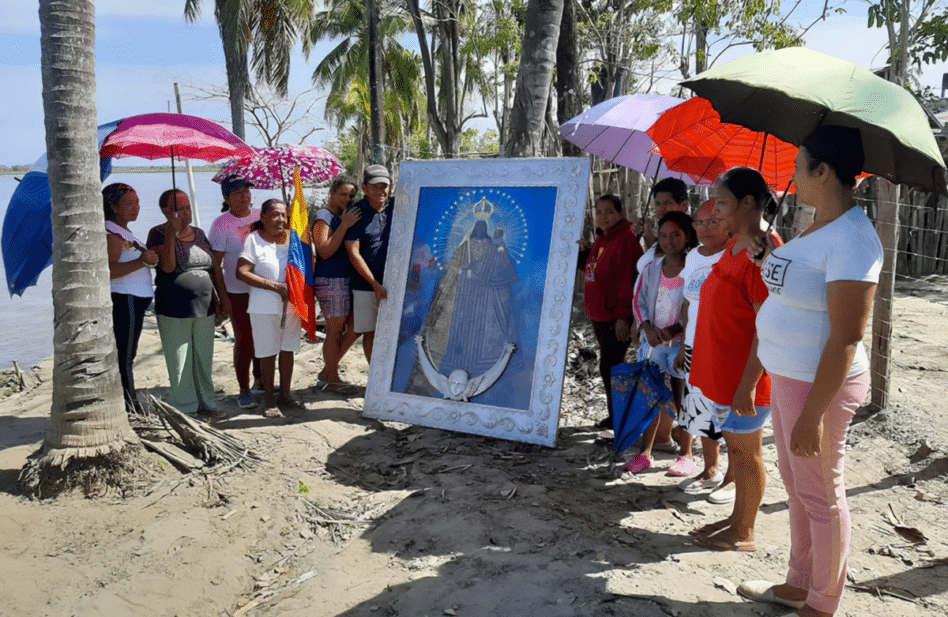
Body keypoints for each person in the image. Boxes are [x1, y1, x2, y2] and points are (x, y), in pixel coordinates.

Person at [738, 126, 881, 617]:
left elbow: (845, 336)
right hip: (789, 376)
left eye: (800, 166)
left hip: (819, 385)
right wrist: (765, 255)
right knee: (799, 485)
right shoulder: (816, 225)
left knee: (821, 491)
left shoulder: (854, 239)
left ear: (823, 171)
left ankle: (822, 604)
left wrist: (813, 415)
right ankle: (798, 583)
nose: (793, 175)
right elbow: (796, 289)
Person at [689, 167, 782, 552]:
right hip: (722, 369)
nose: (716, 209)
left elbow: (767, 325)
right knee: (736, 449)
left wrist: (748, 384)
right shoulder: (734, 244)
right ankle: (737, 517)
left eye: (723, 202)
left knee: (747, 452)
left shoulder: (765, 251)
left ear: (747, 203)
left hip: (745, 377)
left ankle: (745, 530)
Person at [627, 211, 697, 473]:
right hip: (653, 342)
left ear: (687, 236)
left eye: (676, 235)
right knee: (651, 394)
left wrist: (678, 329)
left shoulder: (693, 269)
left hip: (681, 344)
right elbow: (639, 300)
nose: (669, 240)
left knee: (683, 397)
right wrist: (646, 327)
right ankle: (645, 452)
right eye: (664, 235)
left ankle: (686, 454)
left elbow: (694, 304)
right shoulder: (651, 269)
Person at [146, 189, 225, 419]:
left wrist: (223, 299)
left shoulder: (199, 233)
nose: (186, 212)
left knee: (204, 358)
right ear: (165, 211)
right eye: (180, 208)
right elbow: (168, 267)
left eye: (188, 207)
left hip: (205, 306)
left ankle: (207, 403)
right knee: (180, 360)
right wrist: (171, 234)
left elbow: (213, 268)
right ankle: (186, 408)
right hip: (174, 308)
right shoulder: (157, 233)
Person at [674, 200, 730, 488]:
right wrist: (684, 343)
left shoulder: (736, 255)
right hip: (696, 345)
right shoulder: (694, 255)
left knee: (727, 413)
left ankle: (734, 478)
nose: (705, 229)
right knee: (700, 408)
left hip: (724, 347)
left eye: (713, 222)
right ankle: (710, 470)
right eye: (700, 222)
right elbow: (687, 303)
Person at [580, 195, 644, 430]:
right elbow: (594, 270)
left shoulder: (625, 240)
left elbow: (628, 282)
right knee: (611, 366)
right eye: (599, 212)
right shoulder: (603, 239)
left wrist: (623, 318)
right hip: (600, 315)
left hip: (614, 317)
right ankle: (616, 414)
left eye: (609, 212)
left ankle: (622, 418)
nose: (603, 217)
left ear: (620, 213)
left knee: (611, 367)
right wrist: (584, 254)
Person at [236, 199, 300, 418]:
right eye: (274, 214)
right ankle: (269, 400)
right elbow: (242, 272)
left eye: (283, 214)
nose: (280, 219)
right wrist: (273, 286)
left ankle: (285, 394)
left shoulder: (292, 239)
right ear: (262, 218)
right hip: (263, 306)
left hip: (291, 306)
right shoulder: (254, 240)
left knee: (288, 348)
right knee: (267, 351)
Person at [104, 183, 159, 413]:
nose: (136, 208)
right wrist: (142, 262)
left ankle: (127, 403)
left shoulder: (123, 231)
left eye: (137, 202)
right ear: (113, 206)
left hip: (135, 298)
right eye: (128, 203)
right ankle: (129, 405)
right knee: (124, 356)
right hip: (124, 297)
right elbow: (108, 270)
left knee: (129, 354)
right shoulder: (113, 234)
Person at [209, 174, 261, 409]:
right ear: (227, 198)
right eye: (238, 192)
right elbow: (215, 265)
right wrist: (223, 297)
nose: (244, 195)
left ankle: (261, 381)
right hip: (236, 290)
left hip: (264, 288)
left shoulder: (262, 215)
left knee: (264, 337)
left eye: (247, 190)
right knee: (244, 340)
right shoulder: (221, 224)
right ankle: (244, 388)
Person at [311, 176, 362, 384]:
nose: (348, 199)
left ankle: (327, 371)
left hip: (345, 278)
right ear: (332, 191)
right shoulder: (324, 216)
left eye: (351, 196)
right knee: (335, 330)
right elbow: (323, 250)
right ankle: (331, 376)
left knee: (355, 327)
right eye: (343, 194)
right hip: (331, 279)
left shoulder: (340, 214)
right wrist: (344, 224)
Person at [345, 164, 393, 363]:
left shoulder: (397, 207)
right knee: (369, 332)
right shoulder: (356, 212)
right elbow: (352, 251)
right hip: (366, 286)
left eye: (384, 186)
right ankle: (374, 380)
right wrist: (374, 284)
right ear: (364, 188)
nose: (381, 191)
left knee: (387, 332)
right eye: (375, 186)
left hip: (392, 284)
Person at [637, 178, 691, 276]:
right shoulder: (660, 238)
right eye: (658, 204)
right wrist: (647, 234)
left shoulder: (688, 241)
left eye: (667, 203)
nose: (660, 209)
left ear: (684, 206)